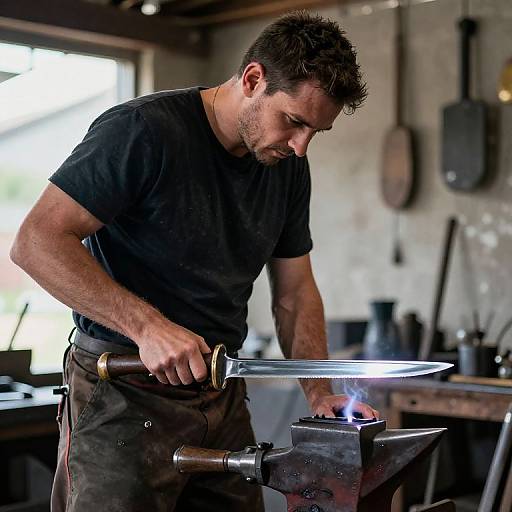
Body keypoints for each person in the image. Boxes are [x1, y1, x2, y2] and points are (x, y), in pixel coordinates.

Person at [11, 10, 379, 512]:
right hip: (121, 393)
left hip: (219, 396)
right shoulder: (142, 131)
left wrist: (318, 393)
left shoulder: (287, 169)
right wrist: (147, 326)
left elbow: (294, 293)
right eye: (294, 121)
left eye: (316, 132)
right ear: (253, 79)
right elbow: (36, 241)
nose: (301, 145)